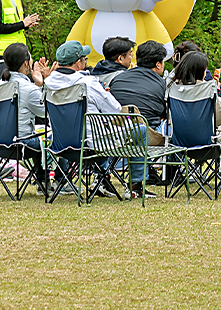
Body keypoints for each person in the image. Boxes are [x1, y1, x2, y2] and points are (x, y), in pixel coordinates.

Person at [45, 40, 152, 198]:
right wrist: (104, 93)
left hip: (59, 144)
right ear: (78, 63)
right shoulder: (87, 83)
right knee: (140, 130)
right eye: (84, 59)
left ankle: (102, 180)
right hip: (90, 145)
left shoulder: (48, 84)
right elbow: (114, 109)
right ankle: (135, 186)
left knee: (98, 129)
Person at [168, 51, 221, 194]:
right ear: (199, 71)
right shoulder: (208, 88)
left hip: (179, 143)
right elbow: (219, 120)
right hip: (208, 142)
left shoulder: (172, 88)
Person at [107, 41, 170, 131]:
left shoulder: (117, 79)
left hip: (118, 133)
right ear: (158, 65)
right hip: (149, 136)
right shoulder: (163, 85)